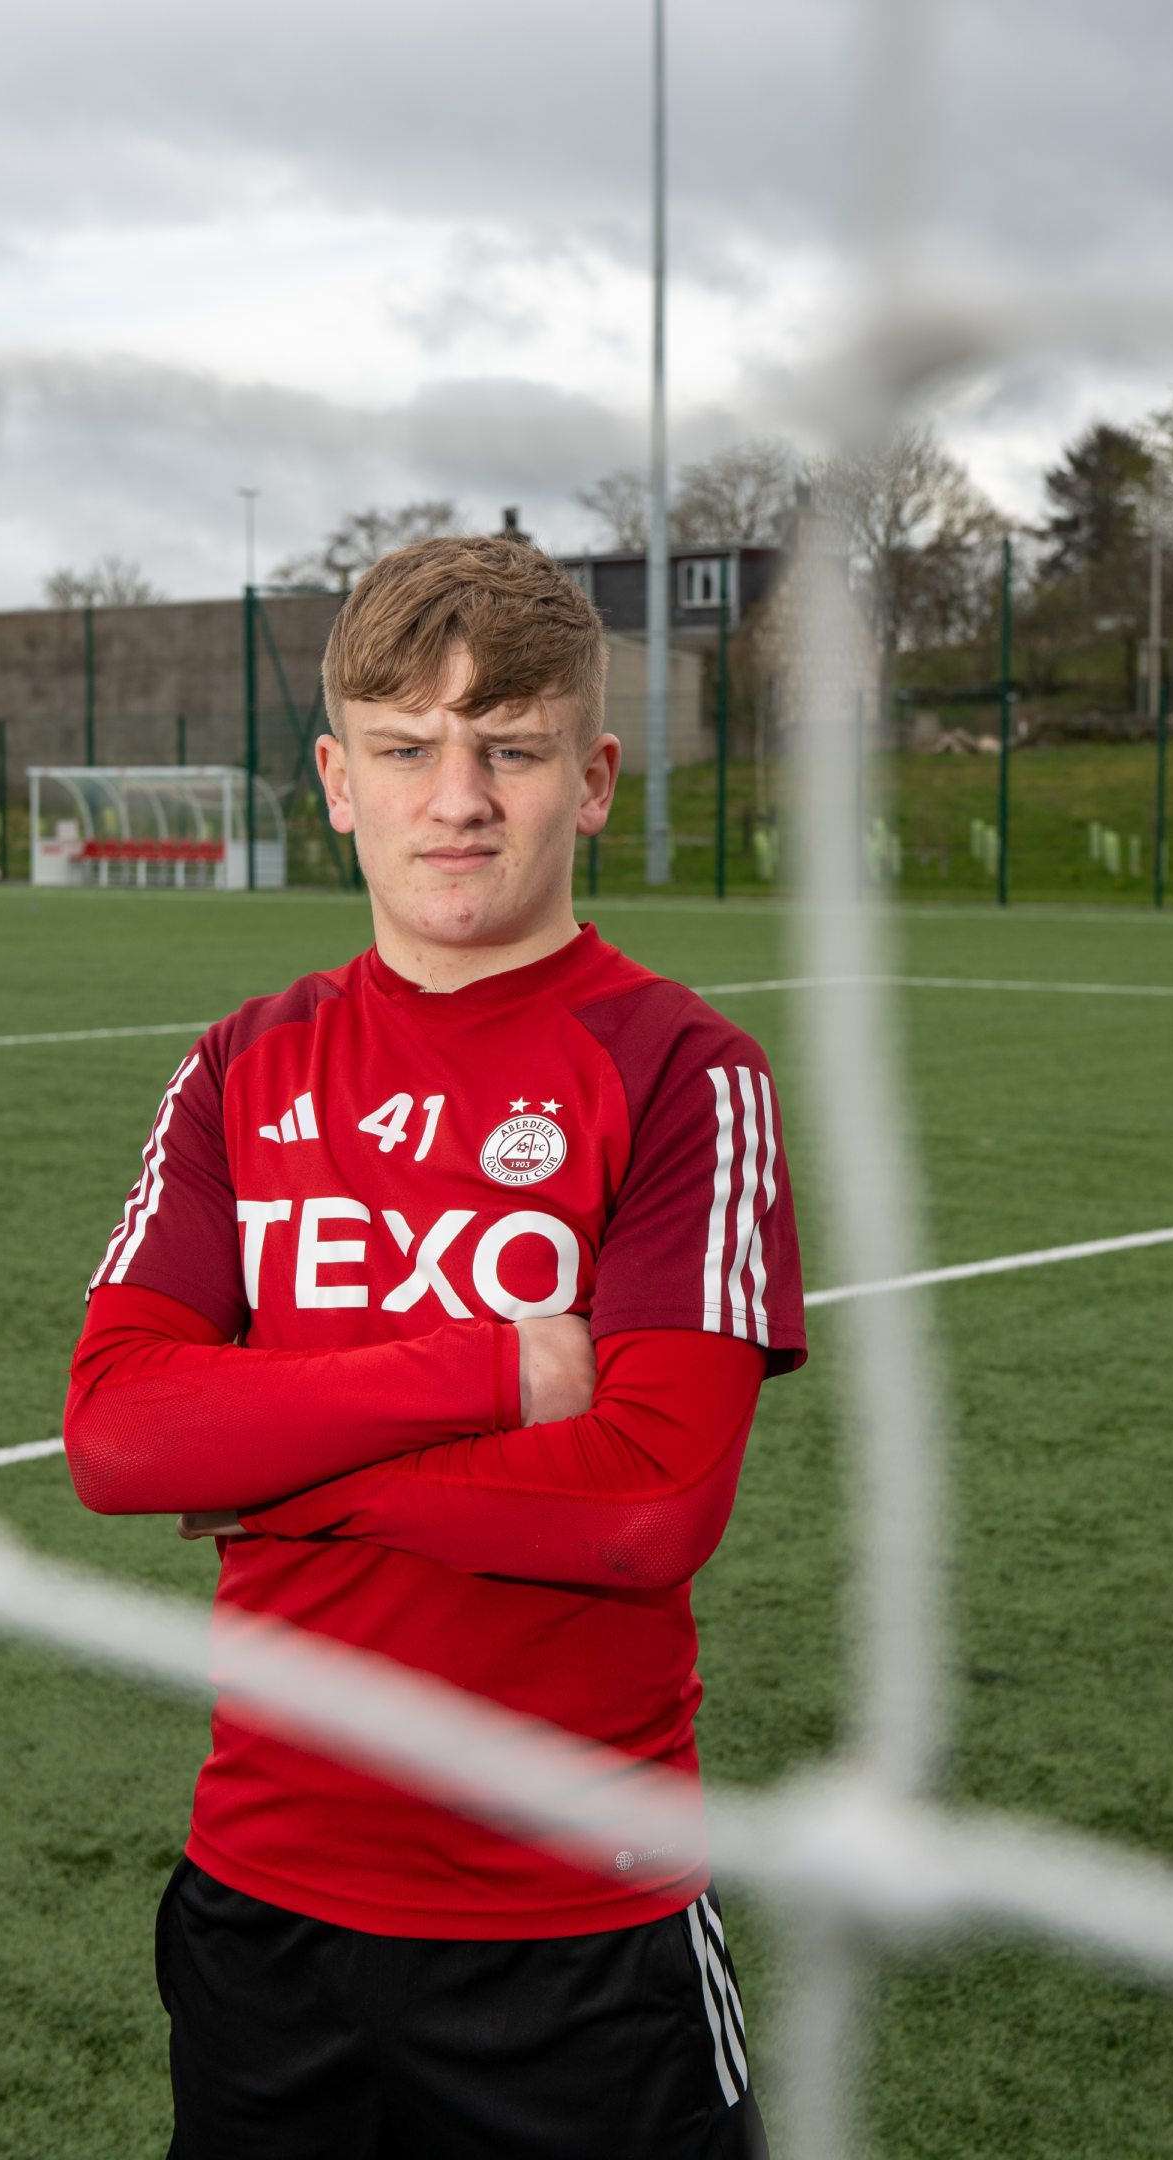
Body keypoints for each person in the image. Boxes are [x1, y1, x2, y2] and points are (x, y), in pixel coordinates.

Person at [64, 534, 806, 2159]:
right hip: (261, 1911)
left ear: (594, 778)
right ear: (337, 779)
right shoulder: (238, 1071)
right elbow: (119, 1437)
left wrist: (274, 1471)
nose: (456, 799)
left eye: (512, 749)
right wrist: (498, 1373)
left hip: (578, 1932)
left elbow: (644, 1503)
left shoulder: (686, 1072)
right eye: (406, 749)